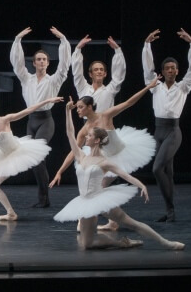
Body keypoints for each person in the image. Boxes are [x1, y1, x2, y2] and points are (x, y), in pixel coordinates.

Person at [53, 99, 183, 250]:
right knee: (86, 244)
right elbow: (70, 133)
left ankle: (167, 243)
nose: (85, 137)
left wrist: (141, 185)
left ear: (96, 140)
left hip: (100, 200)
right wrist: (67, 111)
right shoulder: (81, 156)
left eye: (88, 136)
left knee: (132, 223)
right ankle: (121, 243)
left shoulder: (104, 162)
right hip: (85, 202)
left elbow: (125, 175)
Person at [49, 78, 160, 230]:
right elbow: (74, 150)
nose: (78, 110)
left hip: (121, 153)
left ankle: (94, 218)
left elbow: (128, 103)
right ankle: (107, 221)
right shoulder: (84, 130)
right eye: (77, 108)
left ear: (89, 107)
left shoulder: (105, 115)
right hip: (103, 158)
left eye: (80, 107)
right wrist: (59, 171)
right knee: (96, 188)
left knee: (98, 188)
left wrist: (148, 87)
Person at [10, 26, 71, 208]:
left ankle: (44, 198)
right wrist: (17, 39)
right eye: (38, 59)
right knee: (36, 161)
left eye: (44, 59)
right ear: (34, 63)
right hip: (31, 121)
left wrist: (63, 40)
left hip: (46, 121)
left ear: (47, 63)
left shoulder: (54, 80)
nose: (42, 62)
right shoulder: (26, 79)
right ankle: (43, 198)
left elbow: (64, 66)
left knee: (37, 158)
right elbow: (17, 64)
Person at [142, 28, 191, 222]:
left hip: (173, 131)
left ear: (177, 71)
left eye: (174, 68)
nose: (171, 70)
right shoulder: (155, 87)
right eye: (167, 68)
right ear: (163, 71)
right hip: (159, 130)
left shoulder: (183, 87)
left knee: (157, 169)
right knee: (168, 172)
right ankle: (170, 212)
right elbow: (147, 69)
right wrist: (147, 45)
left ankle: (171, 210)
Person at [71, 35, 127, 112]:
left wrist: (117, 50)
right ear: (90, 74)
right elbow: (77, 73)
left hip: (105, 123)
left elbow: (119, 76)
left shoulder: (110, 90)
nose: (99, 71)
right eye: (96, 70)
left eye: (101, 69)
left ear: (105, 74)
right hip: (87, 123)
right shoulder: (83, 88)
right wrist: (78, 48)